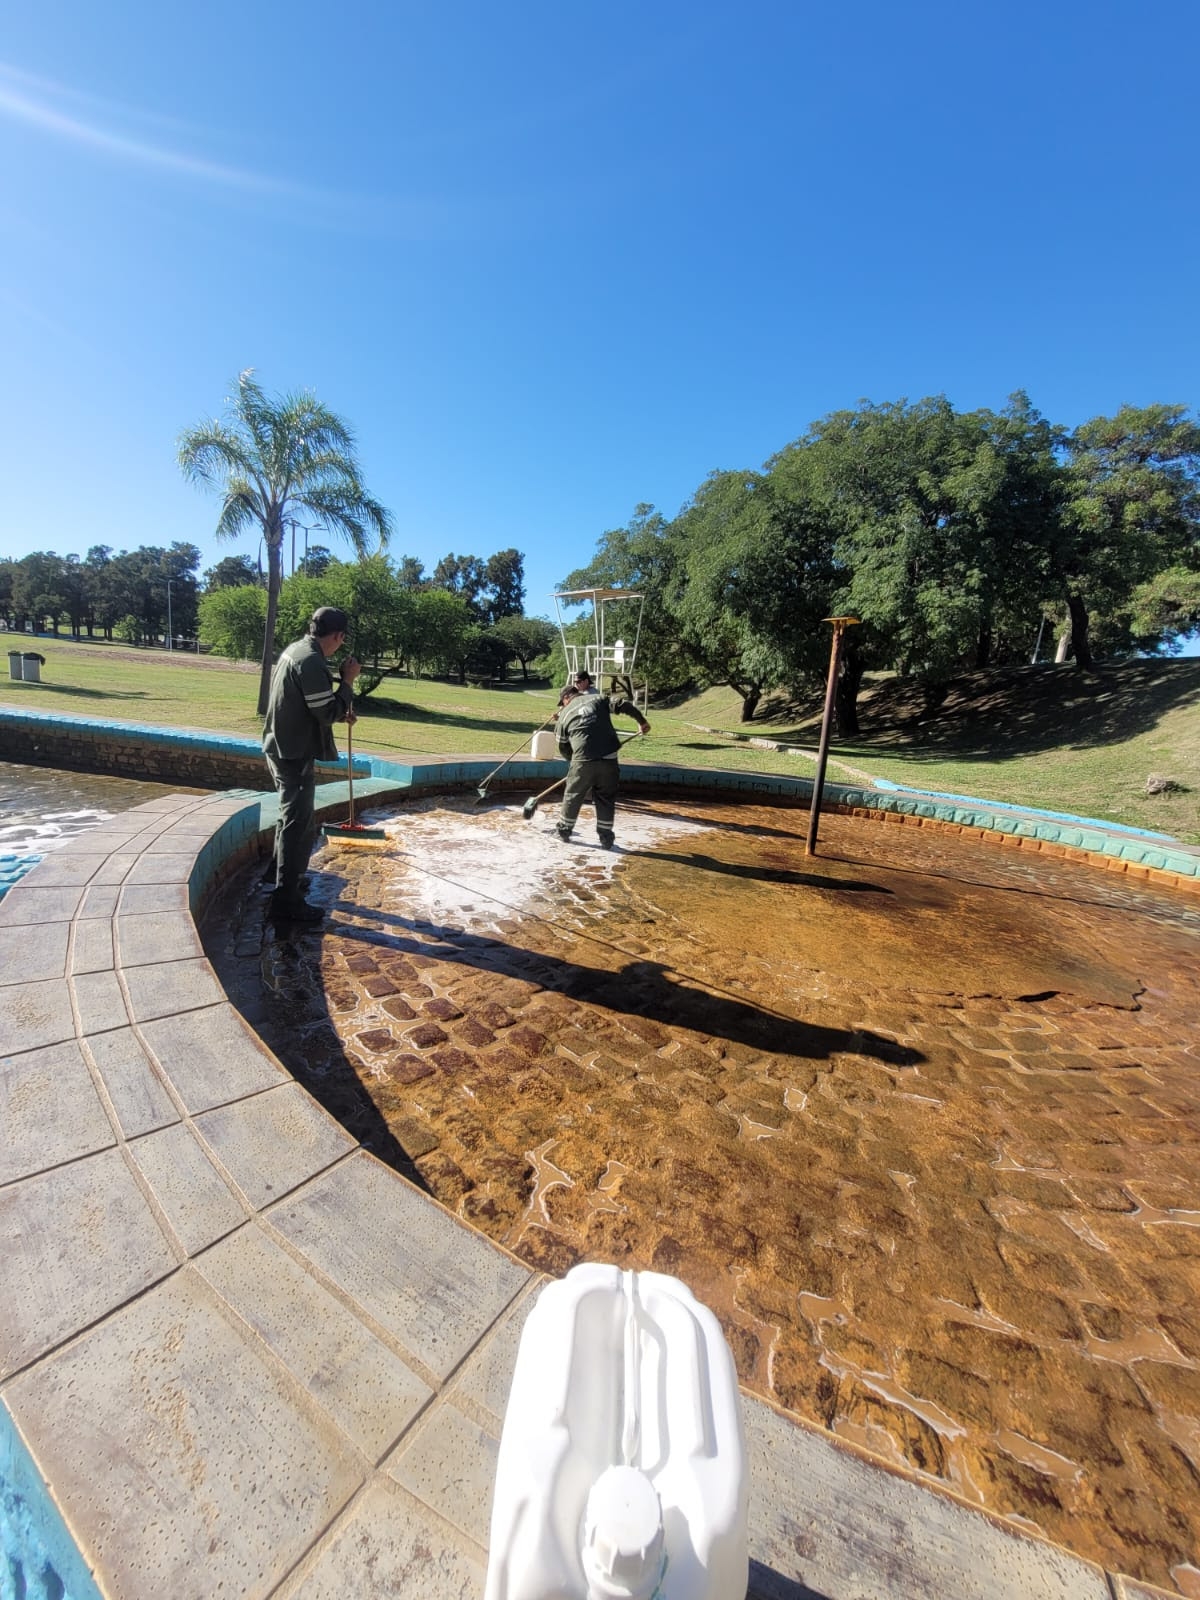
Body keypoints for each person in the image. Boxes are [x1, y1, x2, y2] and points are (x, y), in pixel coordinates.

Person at [261, 606, 360, 923]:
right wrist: (347, 682)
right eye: (341, 640)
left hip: (280, 746)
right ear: (338, 636)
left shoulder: (297, 649)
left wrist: (339, 708)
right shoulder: (311, 661)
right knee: (298, 823)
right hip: (293, 753)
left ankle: (278, 876)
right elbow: (326, 712)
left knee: (289, 817)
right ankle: (286, 903)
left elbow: (312, 705)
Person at [554, 682, 649, 848]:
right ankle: (606, 838)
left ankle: (564, 831)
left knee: (573, 794)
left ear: (566, 697)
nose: (563, 706)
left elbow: (563, 746)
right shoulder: (598, 698)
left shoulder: (564, 715)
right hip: (609, 758)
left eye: (562, 702)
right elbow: (622, 704)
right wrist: (642, 722)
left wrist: (574, 763)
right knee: (606, 797)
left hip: (583, 760)